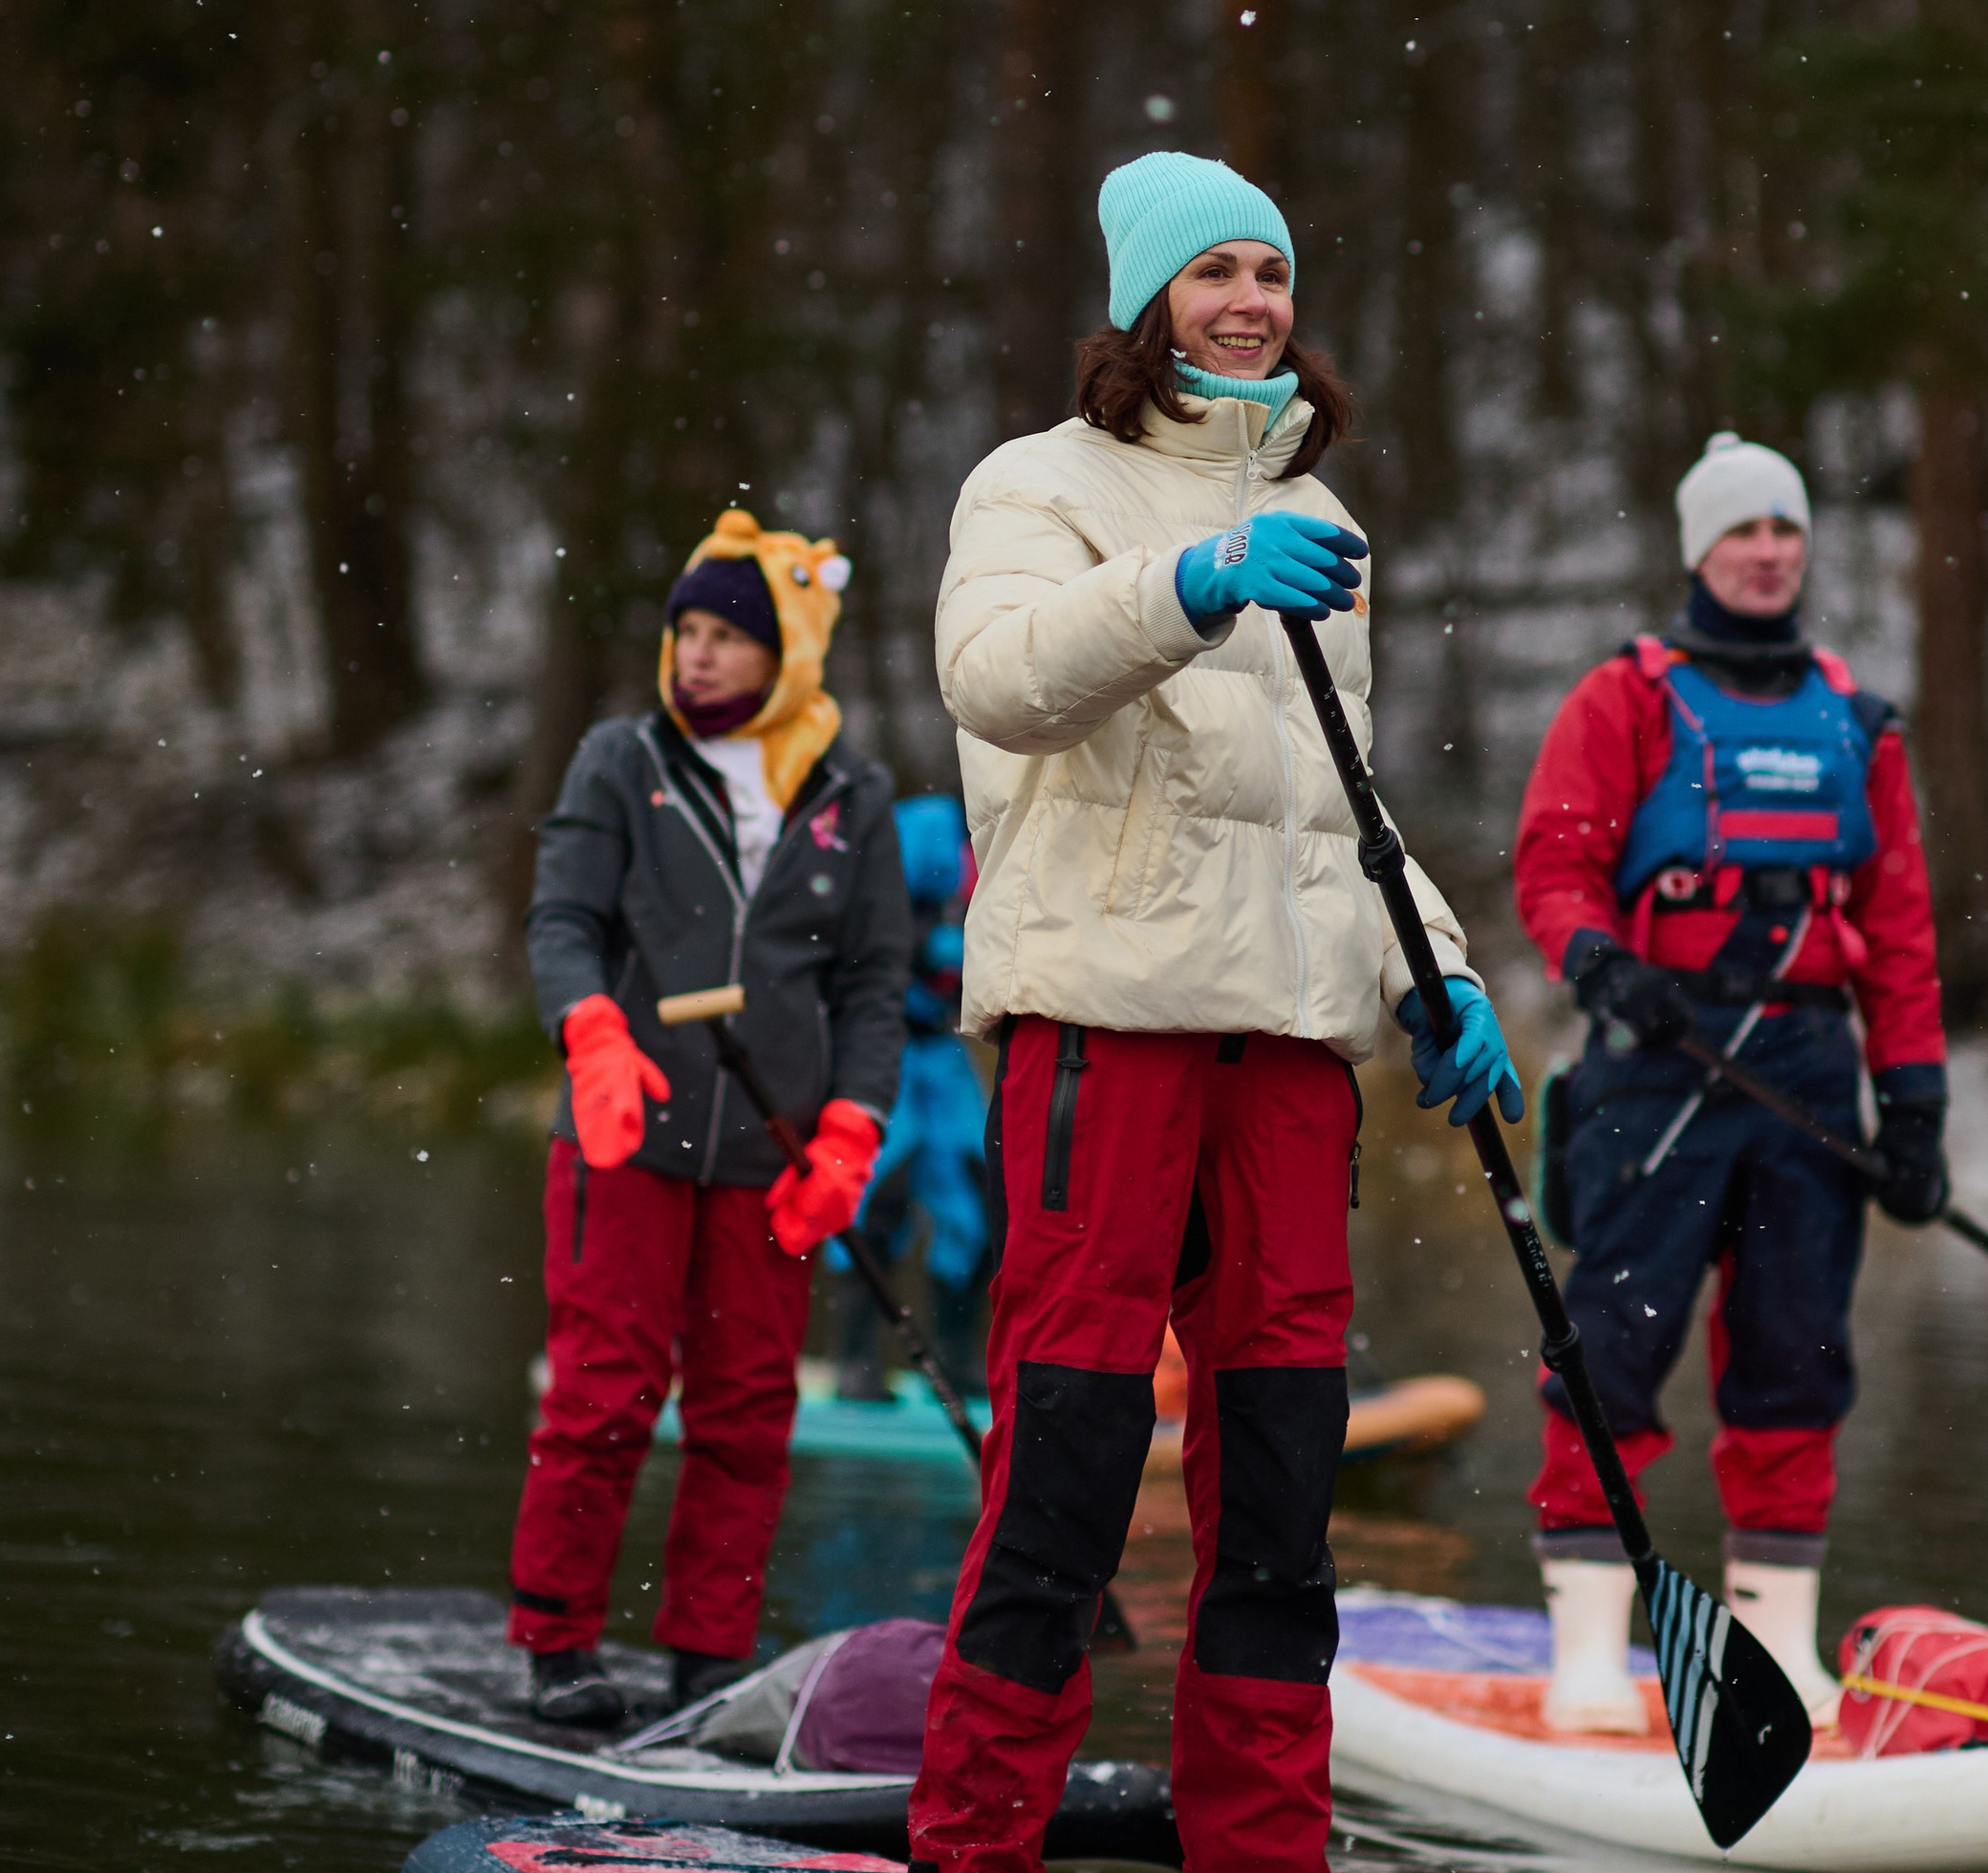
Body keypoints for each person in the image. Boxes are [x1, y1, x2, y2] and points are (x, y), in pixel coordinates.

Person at [905, 151, 1516, 1873]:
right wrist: (1190, 583)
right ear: (1145, 303)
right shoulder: (1039, 486)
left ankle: (1264, 1852)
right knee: (1070, 1480)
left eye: (1271, 271)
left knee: (1279, 1508)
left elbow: (1341, 807)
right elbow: (1000, 684)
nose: (1251, 302)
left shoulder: (1323, 527)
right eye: (1213, 273)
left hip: (1291, 1059)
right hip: (1107, 1032)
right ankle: (970, 1849)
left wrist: (1443, 977)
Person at [1511, 432, 1948, 1733]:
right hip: (1661, 1065)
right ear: (1699, 549)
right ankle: (1589, 1654)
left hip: (1812, 1080)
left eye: (1786, 531)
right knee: (1612, 1352)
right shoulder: (1626, 699)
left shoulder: (1860, 721)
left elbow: (1905, 934)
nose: (1767, 553)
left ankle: (1777, 1656)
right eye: (1741, 532)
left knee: (1797, 1360)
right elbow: (1554, 866)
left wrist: (1916, 1105)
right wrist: (1601, 965)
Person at [509, 509, 913, 1727]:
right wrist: (590, 1025)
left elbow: (873, 983)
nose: (695, 655)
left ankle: (706, 1652)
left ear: (787, 648)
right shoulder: (618, 760)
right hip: (623, 1139)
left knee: (748, 1410)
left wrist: (851, 1126)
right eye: (683, 631)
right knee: (603, 1395)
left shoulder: (854, 790)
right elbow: (563, 922)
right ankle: (557, 1641)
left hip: (769, 1160)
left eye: (725, 636)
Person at [831, 794, 992, 1402]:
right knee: (878, 1199)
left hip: (942, 1057)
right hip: (887, 1054)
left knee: (976, 1200)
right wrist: (935, 947)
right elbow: (870, 938)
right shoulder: (923, 838)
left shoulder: (988, 851)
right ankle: (856, 1360)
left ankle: (955, 1359)